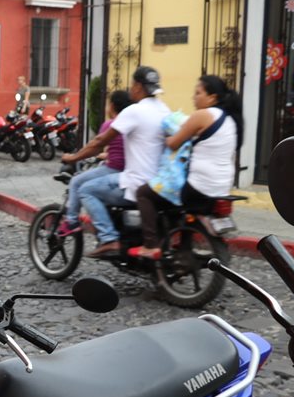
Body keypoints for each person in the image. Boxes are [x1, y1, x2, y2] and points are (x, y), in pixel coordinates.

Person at [130, 75, 242, 260]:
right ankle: (179, 244)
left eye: (198, 93)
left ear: (212, 97)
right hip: (221, 188)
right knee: (174, 204)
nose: (194, 97)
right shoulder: (230, 119)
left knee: (144, 193)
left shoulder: (202, 115)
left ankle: (150, 245)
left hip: (199, 187)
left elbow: (174, 143)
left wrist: (165, 138)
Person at [61, 65, 169, 258]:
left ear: (137, 86)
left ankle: (109, 238)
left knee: (86, 189)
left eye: (132, 85)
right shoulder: (164, 110)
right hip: (160, 184)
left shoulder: (135, 111)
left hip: (136, 182)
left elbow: (100, 142)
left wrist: (74, 157)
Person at [57, 89, 132, 236]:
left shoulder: (110, 124)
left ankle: (71, 221)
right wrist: (105, 155)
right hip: (128, 170)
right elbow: (119, 149)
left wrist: (72, 157)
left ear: (112, 106)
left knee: (77, 182)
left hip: (113, 169)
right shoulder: (132, 124)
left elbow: (95, 147)